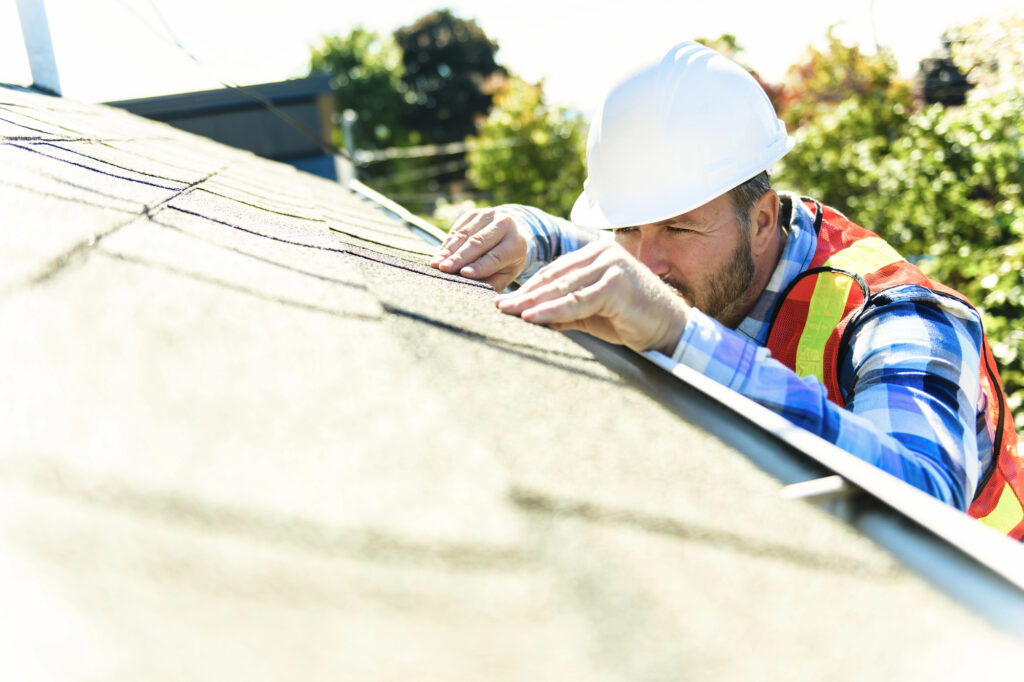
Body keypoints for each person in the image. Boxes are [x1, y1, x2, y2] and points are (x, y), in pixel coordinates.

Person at [429, 41, 1024, 539]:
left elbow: (927, 497)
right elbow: (618, 260)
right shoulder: (703, 256)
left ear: (763, 220)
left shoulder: (902, 315)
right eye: (626, 227)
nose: (645, 262)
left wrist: (682, 334)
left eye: (678, 227)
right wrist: (530, 233)